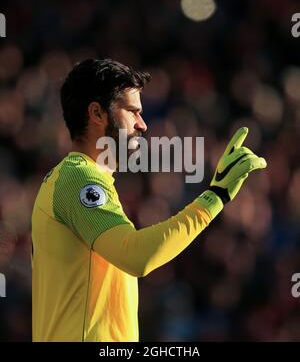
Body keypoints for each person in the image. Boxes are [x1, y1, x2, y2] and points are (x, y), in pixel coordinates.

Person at [31, 58, 267, 342]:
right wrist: (215, 197)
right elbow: (137, 256)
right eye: (132, 112)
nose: (142, 125)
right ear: (96, 113)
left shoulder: (82, 179)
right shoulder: (78, 179)